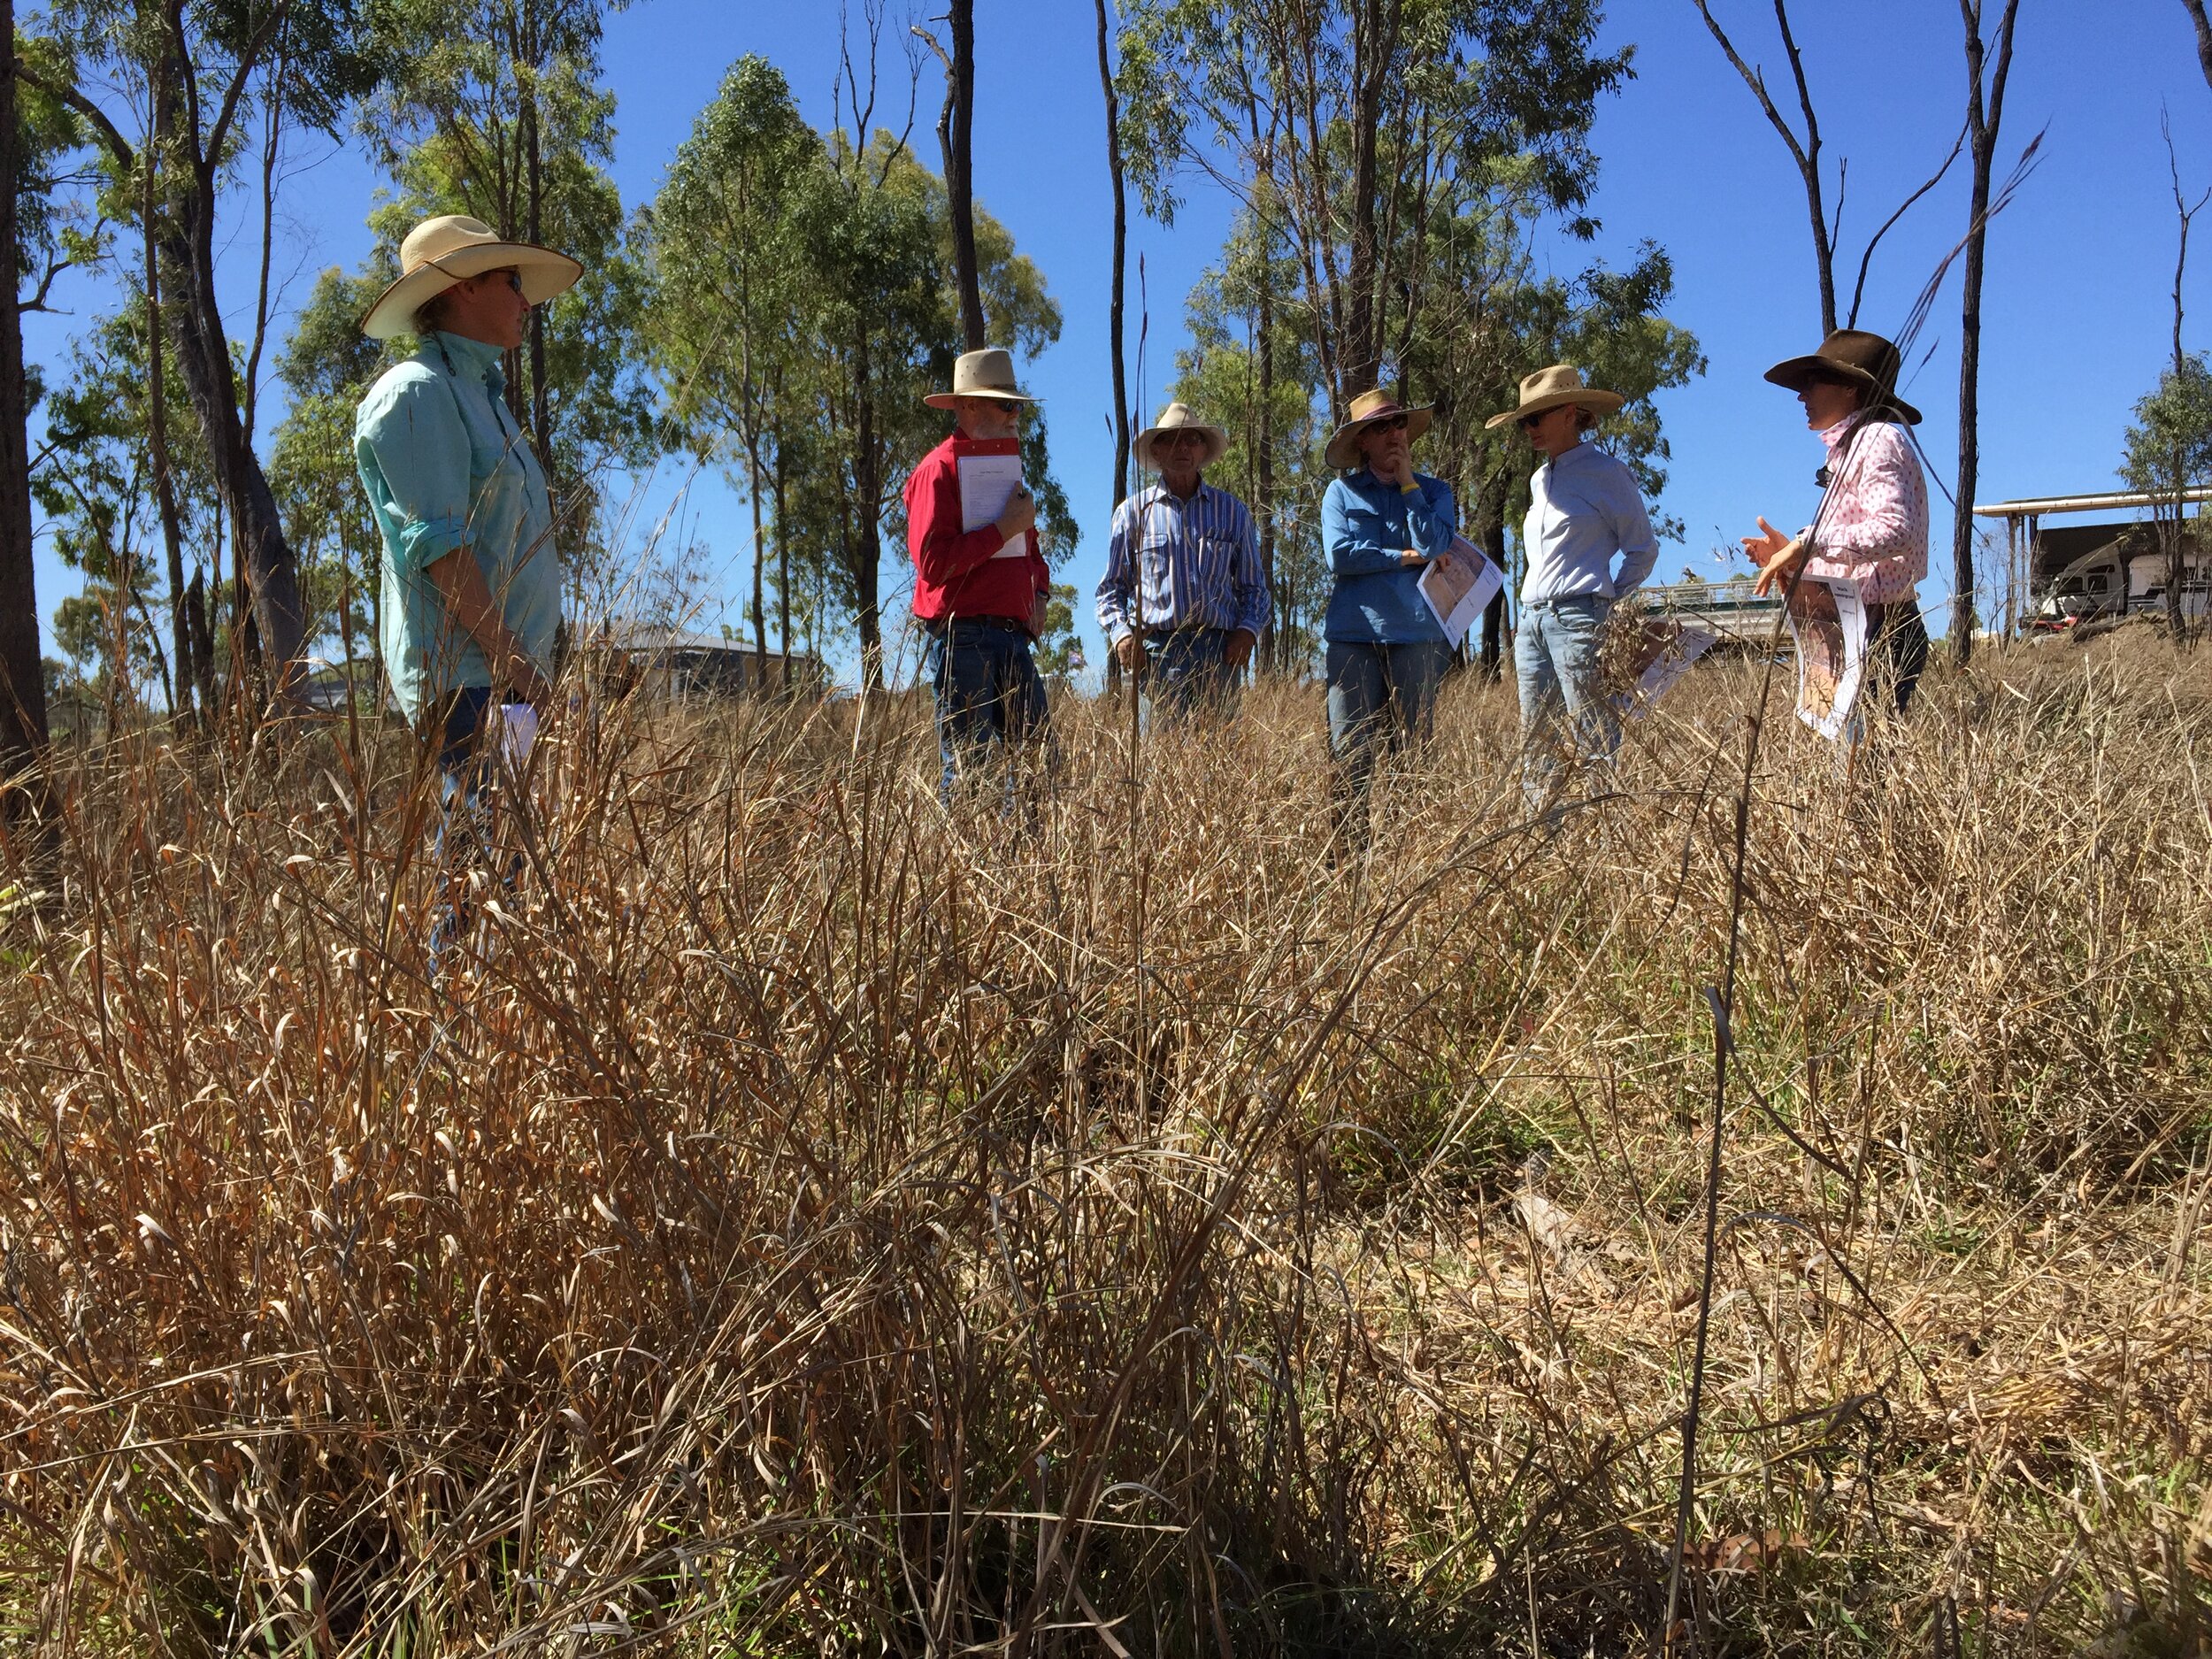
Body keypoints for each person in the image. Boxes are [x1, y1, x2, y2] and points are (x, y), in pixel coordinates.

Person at [354, 213, 580, 959]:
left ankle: (487, 1054)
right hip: (474, 681)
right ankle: (451, 1051)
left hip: (509, 681)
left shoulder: (487, 400)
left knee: (506, 880)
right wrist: (514, 661)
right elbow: (441, 551)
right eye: (511, 280)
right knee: (477, 881)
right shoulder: (414, 393)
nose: (525, 297)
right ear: (463, 287)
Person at [1485, 365, 1658, 808]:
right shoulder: (1539, 481)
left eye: (1536, 417)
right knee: (1535, 737)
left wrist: (1608, 603)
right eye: (1525, 421)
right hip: (1532, 624)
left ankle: (1604, 845)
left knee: (1593, 732)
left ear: (1570, 413)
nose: (1529, 428)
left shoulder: (1607, 473)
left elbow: (1642, 548)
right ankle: (1540, 837)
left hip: (1582, 617)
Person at [1741, 329, 1931, 718]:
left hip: (1884, 626)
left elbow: (1896, 529)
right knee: (1853, 763)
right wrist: (1791, 554)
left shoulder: (1876, 439)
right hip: (1862, 622)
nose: (1801, 395)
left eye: (1812, 382)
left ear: (1850, 388)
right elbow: (1857, 550)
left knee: (1864, 764)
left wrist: (1808, 542)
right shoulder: (1851, 449)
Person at [905, 348, 1053, 807]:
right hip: (962, 638)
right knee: (970, 768)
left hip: (1013, 639)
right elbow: (932, 564)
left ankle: (1024, 866)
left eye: (1018, 407)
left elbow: (1030, 550)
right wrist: (1002, 529)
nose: (1016, 416)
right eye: (1006, 405)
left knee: (1039, 762)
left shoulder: (1009, 471)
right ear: (968, 406)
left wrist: (1041, 592)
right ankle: (959, 875)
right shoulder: (937, 470)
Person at [1320, 388, 1458, 850]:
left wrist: (1408, 484)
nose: (1394, 433)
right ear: (1361, 441)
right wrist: (1399, 557)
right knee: (1350, 753)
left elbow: (1438, 546)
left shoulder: (1435, 491)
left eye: (1398, 423)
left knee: (1413, 754)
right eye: (1381, 427)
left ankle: (1407, 858)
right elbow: (1339, 555)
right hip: (1353, 640)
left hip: (1417, 640)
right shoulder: (1340, 493)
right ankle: (1348, 863)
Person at [1094, 403, 1271, 722]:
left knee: (1220, 757)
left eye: (1192, 439)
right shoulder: (1132, 513)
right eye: (1173, 440)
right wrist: (1122, 634)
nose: (1184, 447)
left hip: (1219, 653)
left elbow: (1254, 588)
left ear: (1203, 450)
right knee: (1158, 758)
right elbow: (1110, 590)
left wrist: (1247, 632)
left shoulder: (1232, 511)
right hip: (1156, 654)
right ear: (1157, 451)